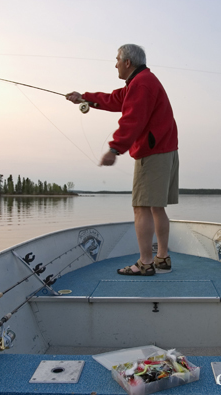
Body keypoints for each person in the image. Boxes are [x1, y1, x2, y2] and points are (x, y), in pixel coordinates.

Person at [66, 44, 179, 276]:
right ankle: (162, 258)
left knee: (141, 207)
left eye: (117, 59)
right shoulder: (140, 82)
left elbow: (132, 119)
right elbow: (114, 99)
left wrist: (115, 149)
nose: (115, 63)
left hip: (153, 153)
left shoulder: (142, 84)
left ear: (128, 62)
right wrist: (83, 97)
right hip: (163, 149)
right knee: (157, 207)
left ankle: (146, 263)